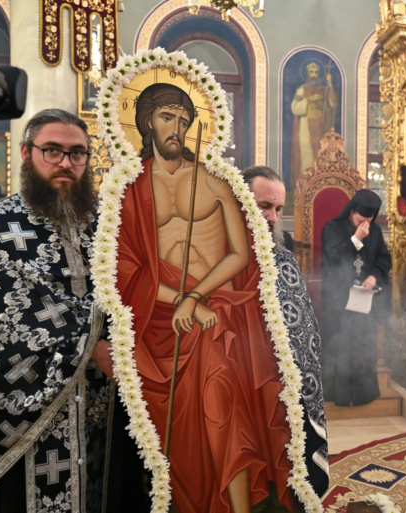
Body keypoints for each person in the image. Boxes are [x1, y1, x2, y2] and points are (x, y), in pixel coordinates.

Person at [116, 84, 295, 512]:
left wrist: (195, 297)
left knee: (221, 406)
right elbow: (127, 271)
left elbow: (240, 254)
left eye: (183, 120)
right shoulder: (130, 189)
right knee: (177, 436)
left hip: (218, 315)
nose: (176, 128)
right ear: (146, 122)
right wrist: (182, 302)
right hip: (160, 324)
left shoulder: (217, 182)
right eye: (167, 118)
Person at [0, 109, 148, 512]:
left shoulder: (107, 224)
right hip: (28, 410)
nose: (66, 163)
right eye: (51, 150)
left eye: (77, 153)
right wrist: (90, 347)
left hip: (105, 398)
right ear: (26, 152)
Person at [241, 165, 329, 497]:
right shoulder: (212, 259)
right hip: (238, 387)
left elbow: (304, 329)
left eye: (278, 209)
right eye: (264, 206)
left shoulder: (285, 258)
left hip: (284, 391)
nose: (273, 218)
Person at [321, 189, 391, 406]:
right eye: (361, 221)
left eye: (368, 222)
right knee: (340, 344)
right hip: (338, 298)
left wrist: (374, 276)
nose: (365, 226)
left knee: (363, 342)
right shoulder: (332, 228)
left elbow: (384, 259)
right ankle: (338, 393)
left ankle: (363, 394)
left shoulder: (375, 231)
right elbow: (332, 257)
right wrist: (356, 239)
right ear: (352, 212)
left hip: (364, 299)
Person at [290, 62, 339, 187]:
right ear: (307, 74)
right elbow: (294, 107)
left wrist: (330, 84)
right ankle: (306, 187)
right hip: (305, 127)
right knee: (306, 156)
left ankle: (320, 185)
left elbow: (333, 103)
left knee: (321, 156)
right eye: (311, 72)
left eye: (316, 73)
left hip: (321, 128)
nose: (313, 75)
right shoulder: (302, 89)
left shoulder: (324, 90)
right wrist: (309, 100)